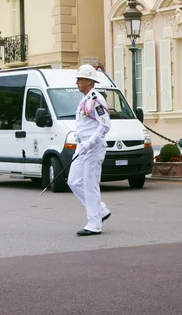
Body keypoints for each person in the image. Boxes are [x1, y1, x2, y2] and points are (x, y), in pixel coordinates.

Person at [67, 64, 112, 237]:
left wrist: (90, 143)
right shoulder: (85, 99)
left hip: (92, 147)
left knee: (89, 185)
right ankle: (100, 210)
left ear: (89, 81)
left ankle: (94, 224)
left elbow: (105, 125)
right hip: (82, 146)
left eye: (80, 79)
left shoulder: (96, 98)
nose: (77, 82)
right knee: (73, 181)